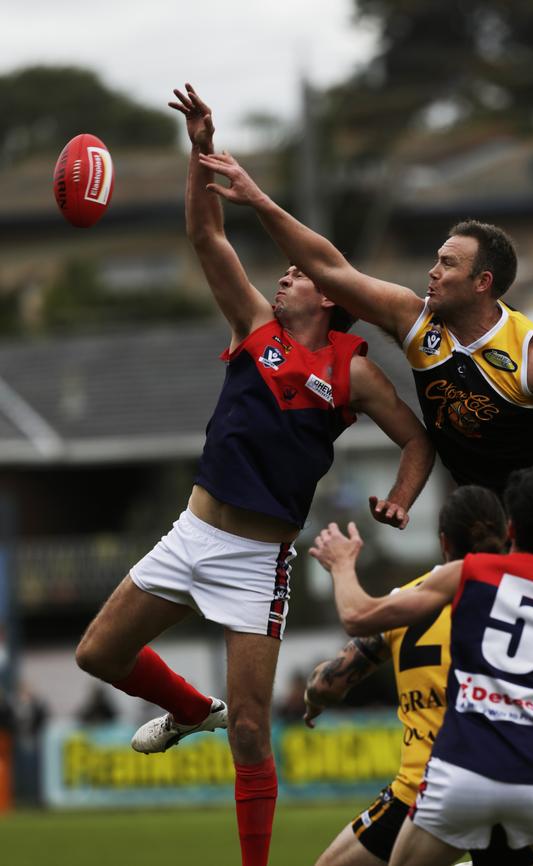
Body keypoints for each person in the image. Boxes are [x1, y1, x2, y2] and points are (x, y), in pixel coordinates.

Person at [191, 148, 533, 861]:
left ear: (483, 281)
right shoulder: (417, 324)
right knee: (467, 616)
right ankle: (477, 788)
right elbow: (329, 266)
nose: (429, 272)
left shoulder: (532, 354)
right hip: (484, 501)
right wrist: (256, 198)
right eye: (433, 260)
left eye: (445, 263)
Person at [74, 85, 433, 866]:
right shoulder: (255, 327)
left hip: (257, 561)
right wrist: (201, 150)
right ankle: (187, 709)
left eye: (299, 275)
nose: (285, 278)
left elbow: (417, 441)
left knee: (250, 734)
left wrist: (401, 499)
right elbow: (206, 234)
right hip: (193, 531)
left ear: (328, 294)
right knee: (96, 656)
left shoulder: (355, 372)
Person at [308, 466, 533, 866]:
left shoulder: (471, 574)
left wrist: (342, 564)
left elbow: (356, 616)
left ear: (512, 530)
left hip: (459, 776)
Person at [306, 484, 533, 866]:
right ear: (508, 535)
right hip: (516, 784)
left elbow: (327, 683)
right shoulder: (530, 603)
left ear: (444, 542)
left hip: (427, 789)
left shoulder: (405, 602)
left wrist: (312, 702)